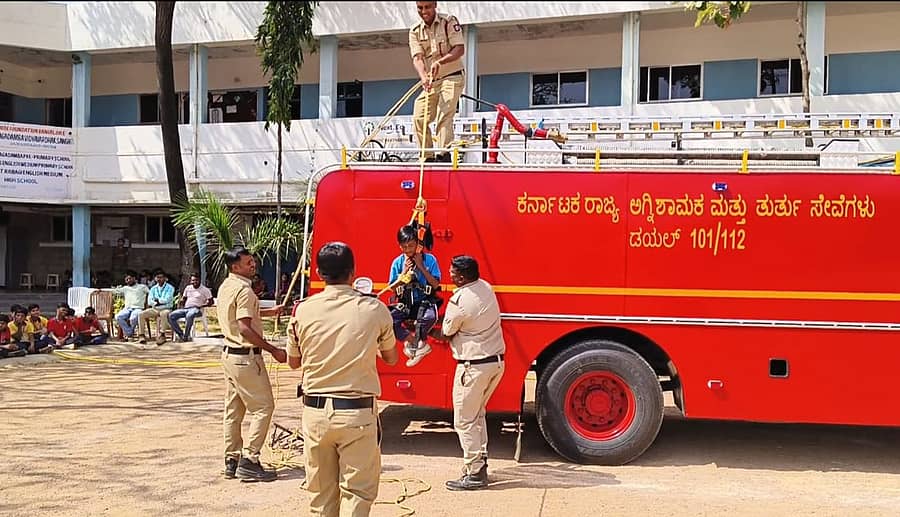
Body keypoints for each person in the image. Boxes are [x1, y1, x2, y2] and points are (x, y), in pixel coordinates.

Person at [287, 241, 398, 516]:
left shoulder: (302, 310)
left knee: (320, 496)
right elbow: (392, 358)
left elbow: (293, 362)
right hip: (357, 414)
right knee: (357, 493)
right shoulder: (375, 310)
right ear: (353, 272)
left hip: (314, 414)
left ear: (319, 272)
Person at [429, 255, 506, 491]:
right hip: (495, 363)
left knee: (464, 421)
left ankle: (474, 473)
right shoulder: (485, 287)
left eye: (452, 272)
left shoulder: (459, 301)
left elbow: (446, 332)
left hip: (472, 367)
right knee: (477, 416)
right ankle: (479, 464)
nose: (449, 275)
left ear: (461, 276)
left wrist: (419, 329)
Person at [217, 245, 286, 482]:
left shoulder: (227, 286)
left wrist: (269, 312)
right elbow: (244, 327)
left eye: (253, 261)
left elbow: (240, 317)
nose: (253, 265)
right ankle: (250, 459)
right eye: (248, 263)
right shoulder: (245, 291)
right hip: (246, 357)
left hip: (229, 356)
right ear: (235, 266)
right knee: (263, 407)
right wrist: (273, 349)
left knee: (234, 410)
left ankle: (231, 459)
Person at [409, 0, 465, 163]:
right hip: (433, 81)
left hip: (453, 76)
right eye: (420, 8)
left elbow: (459, 49)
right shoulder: (414, 31)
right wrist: (423, 76)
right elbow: (417, 57)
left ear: (434, 5)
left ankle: (444, 154)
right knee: (419, 116)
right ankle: (427, 157)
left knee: (444, 112)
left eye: (427, 7)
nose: (424, 11)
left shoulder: (448, 21)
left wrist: (441, 62)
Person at [388, 224, 442, 367]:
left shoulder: (430, 260)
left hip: (425, 301)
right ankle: (412, 342)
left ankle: (420, 342)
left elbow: (436, 284)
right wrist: (404, 272)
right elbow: (392, 287)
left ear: (418, 244)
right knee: (389, 321)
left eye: (411, 246)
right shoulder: (398, 262)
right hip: (406, 302)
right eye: (404, 247)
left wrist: (421, 267)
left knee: (430, 317)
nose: (408, 250)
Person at [168, 274, 214, 342]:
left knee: (190, 315)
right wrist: (181, 302)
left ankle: (186, 336)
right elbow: (184, 299)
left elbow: (211, 302)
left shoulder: (205, 290)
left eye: (196, 280)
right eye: (193, 280)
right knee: (171, 315)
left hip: (197, 309)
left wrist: (202, 305)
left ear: (199, 280)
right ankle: (181, 335)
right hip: (186, 309)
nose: (194, 282)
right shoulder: (188, 288)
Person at [139, 270, 175, 345]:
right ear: (155, 279)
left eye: (161, 277)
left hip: (166, 308)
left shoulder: (170, 288)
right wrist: (157, 302)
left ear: (165, 278)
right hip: (155, 309)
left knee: (164, 314)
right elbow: (150, 301)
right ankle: (141, 335)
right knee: (141, 314)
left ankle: (162, 335)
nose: (159, 279)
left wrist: (158, 301)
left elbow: (167, 299)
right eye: (157, 277)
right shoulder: (153, 288)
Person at [113, 271, 150, 340]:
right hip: (127, 309)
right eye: (126, 279)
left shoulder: (142, 287)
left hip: (138, 308)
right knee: (118, 317)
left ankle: (129, 334)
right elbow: (113, 291)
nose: (128, 281)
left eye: (130, 279)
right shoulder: (125, 288)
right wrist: (99, 290)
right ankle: (129, 333)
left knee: (133, 318)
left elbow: (150, 293)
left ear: (134, 278)